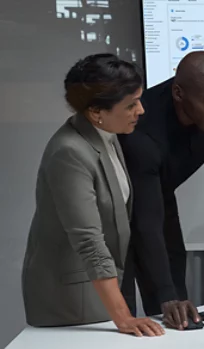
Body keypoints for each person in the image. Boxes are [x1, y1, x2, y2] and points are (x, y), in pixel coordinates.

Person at [21, 53, 164, 337]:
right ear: (97, 112)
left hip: (97, 292)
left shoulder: (105, 134)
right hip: (73, 301)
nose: (141, 110)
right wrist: (124, 317)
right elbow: (89, 241)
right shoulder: (70, 152)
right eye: (131, 104)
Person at [117, 50, 204, 328]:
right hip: (118, 210)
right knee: (126, 311)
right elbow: (145, 221)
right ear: (179, 93)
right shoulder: (143, 127)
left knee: (180, 310)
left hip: (161, 197)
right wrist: (166, 296)